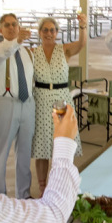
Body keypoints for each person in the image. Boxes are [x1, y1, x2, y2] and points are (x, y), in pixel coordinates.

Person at [30, 14, 86, 194]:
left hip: (61, 99)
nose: (48, 33)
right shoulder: (33, 52)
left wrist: (83, 27)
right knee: (42, 147)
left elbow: (81, 44)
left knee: (62, 144)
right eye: (45, 30)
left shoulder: (64, 49)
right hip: (40, 99)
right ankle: (42, 187)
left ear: (56, 33)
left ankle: (61, 184)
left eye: (52, 30)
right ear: (39, 33)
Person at [0, 14, 35, 198]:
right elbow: (5, 53)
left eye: (14, 24)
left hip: (27, 104)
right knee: (0, 153)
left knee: (24, 153)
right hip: (6, 103)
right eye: (7, 25)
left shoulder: (26, 52)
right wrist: (17, 41)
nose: (11, 27)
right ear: (1, 30)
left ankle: (23, 194)